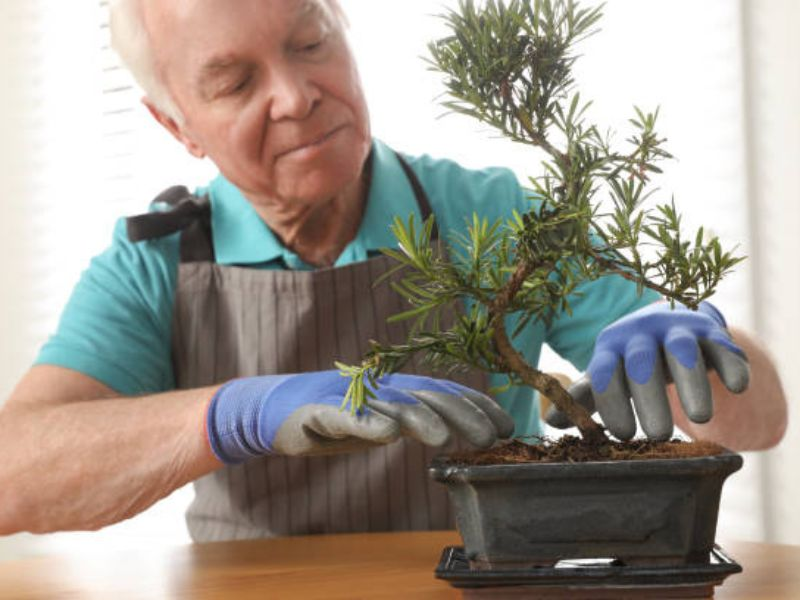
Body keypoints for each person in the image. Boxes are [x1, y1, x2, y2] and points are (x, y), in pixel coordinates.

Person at [0, 0, 786, 541]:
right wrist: (230, 417)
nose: (296, 95)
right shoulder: (156, 262)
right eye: (236, 82)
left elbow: (761, 421)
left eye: (311, 42)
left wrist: (701, 346)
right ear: (176, 125)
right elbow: (13, 473)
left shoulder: (495, 214)